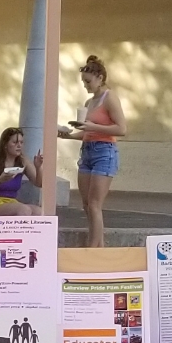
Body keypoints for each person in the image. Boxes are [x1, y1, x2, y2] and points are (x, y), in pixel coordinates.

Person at [59, 55, 123, 245]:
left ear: (100, 78)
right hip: (88, 150)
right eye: (83, 83)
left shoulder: (109, 97)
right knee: (86, 204)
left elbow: (121, 129)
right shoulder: (89, 103)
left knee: (95, 204)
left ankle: (93, 247)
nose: (86, 86)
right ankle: (98, 242)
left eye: (88, 82)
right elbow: (88, 132)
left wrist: (92, 127)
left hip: (105, 151)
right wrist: (69, 135)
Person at [0, 124, 43, 211]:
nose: (19, 146)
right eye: (15, 142)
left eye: (21, 142)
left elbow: (39, 184)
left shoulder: (23, 161)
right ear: (5, 144)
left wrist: (38, 167)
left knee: (39, 212)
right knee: (24, 210)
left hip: (11, 202)